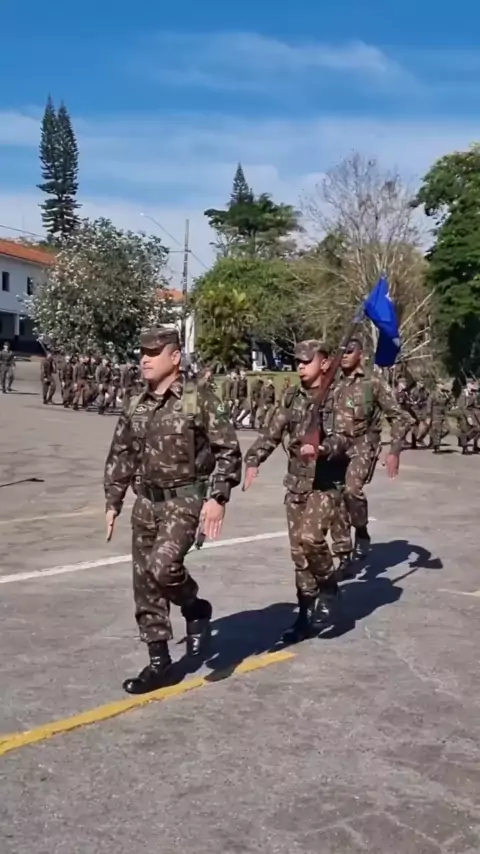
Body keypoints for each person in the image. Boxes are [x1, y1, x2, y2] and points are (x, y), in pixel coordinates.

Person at [104, 326, 242, 694]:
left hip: (184, 499)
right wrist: (113, 500)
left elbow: (228, 451)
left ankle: (194, 607)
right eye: (142, 353)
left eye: (154, 353)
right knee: (145, 582)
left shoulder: (197, 399)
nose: (145, 359)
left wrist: (217, 498)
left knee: (163, 567)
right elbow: (122, 454)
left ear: (175, 357)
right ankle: (159, 663)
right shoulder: (136, 403)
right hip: (145, 502)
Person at [243, 340, 353, 643]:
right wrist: (253, 459)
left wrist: (322, 448)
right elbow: (272, 432)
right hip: (297, 483)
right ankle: (304, 616)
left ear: (325, 363)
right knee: (299, 556)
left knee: (311, 538)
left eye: (307, 361)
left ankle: (329, 587)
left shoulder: (338, 396)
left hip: (326, 482)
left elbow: (345, 438)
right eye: (298, 362)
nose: (301, 367)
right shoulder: (292, 397)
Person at [330, 338, 407, 557]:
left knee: (351, 490)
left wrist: (394, 451)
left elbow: (397, 417)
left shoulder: (373, 382)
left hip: (362, 445)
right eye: (342, 351)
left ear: (361, 354)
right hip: (334, 446)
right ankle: (344, 553)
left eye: (350, 351)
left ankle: (361, 530)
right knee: (336, 497)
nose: (345, 355)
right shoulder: (332, 381)